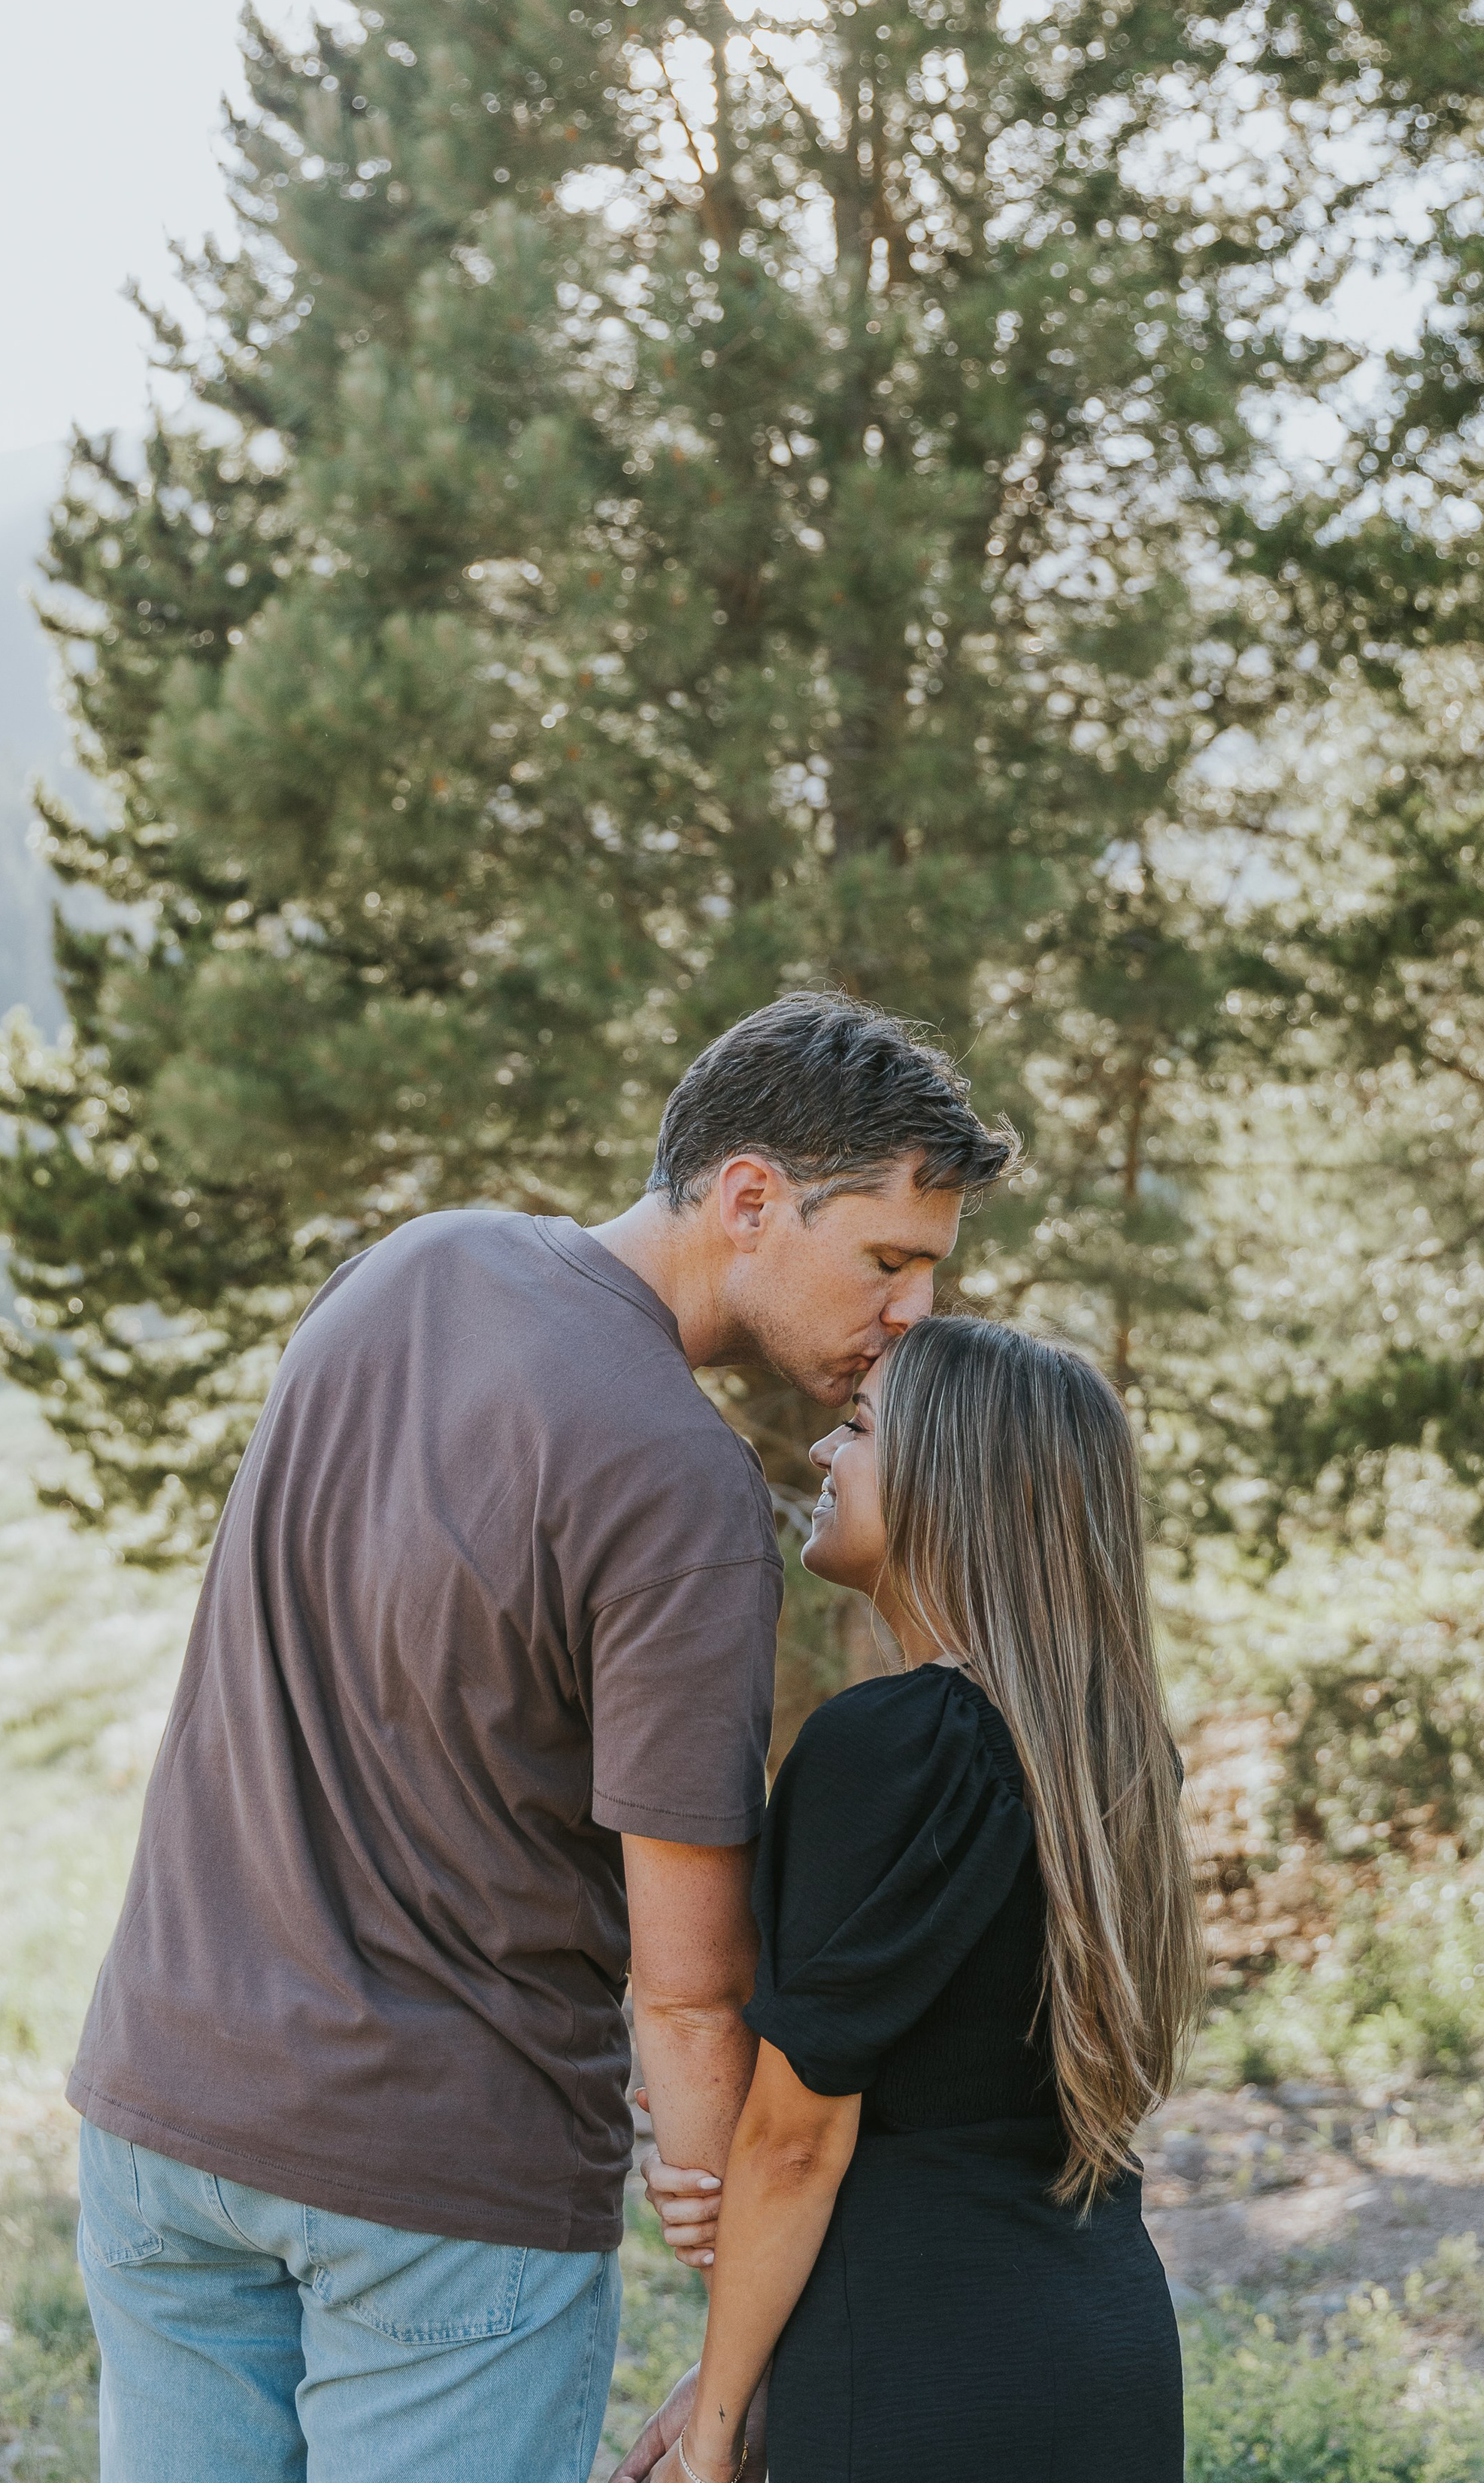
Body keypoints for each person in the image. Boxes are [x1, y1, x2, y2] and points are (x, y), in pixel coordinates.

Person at [68, 992, 1016, 2483]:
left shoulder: (406, 1265)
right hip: (437, 2189)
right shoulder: (681, 1484)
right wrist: (739, 2354)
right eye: (889, 1261)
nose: (912, 1316)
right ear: (749, 1199)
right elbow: (690, 1993)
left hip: (160, 2117)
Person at [616, 1314, 1203, 2483]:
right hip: (1100, 2346)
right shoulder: (1110, 1758)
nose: (825, 1458)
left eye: (858, 1428)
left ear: (953, 1483)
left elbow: (795, 2142)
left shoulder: (893, 1746)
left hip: (920, 2375)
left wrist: (715, 2434)